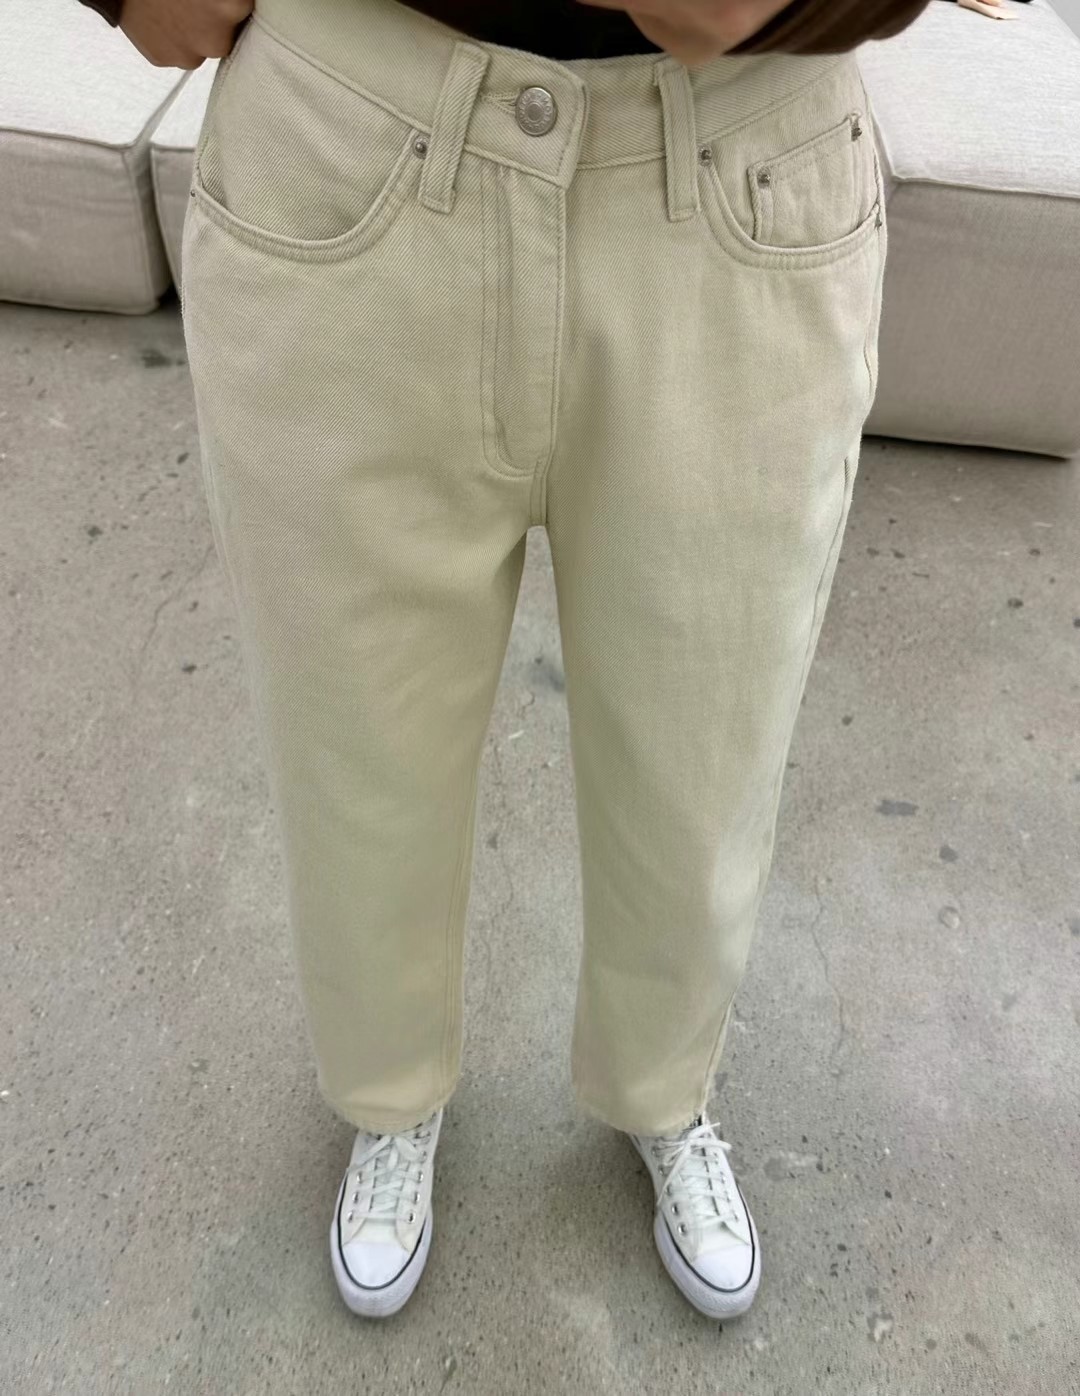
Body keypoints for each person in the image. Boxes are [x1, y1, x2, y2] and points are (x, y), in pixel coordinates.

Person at [80, 0, 930, 1322]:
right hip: (353, 134)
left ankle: (664, 1086)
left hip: (740, 166)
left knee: (706, 740)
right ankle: (390, 1093)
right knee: (353, 743)